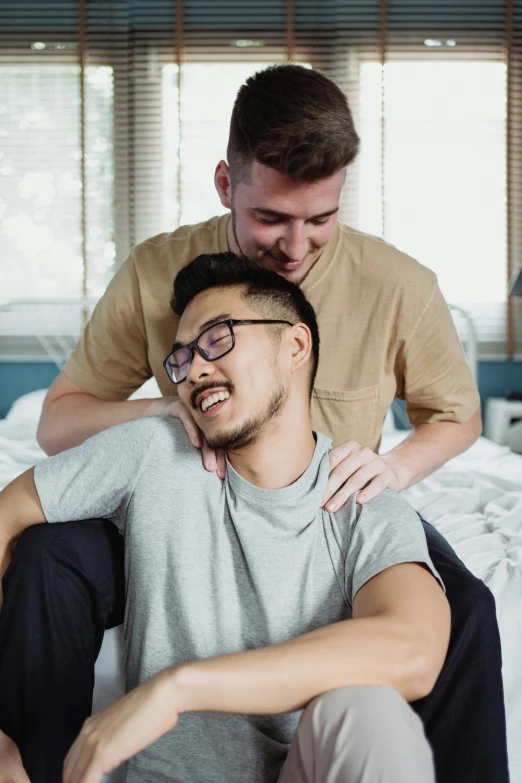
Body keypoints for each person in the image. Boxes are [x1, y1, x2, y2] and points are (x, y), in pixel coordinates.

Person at [0, 65, 509, 782]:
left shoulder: (400, 285)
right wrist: (170, 408)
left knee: (466, 608)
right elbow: (57, 421)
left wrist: (392, 468)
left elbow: (455, 415)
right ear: (225, 185)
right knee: (47, 558)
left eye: (320, 219)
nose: (297, 246)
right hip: (189, 507)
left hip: (332, 506)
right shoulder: (156, 274)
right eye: (272, 218)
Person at [0, 253, 452, 783]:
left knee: (368, 714)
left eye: (218, 339)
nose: (194, 370)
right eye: (182, 359)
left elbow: (413, 648)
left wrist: (176, 690)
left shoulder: (363, 502)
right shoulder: (154, 450)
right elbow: (7, 513)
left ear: (295, 346)